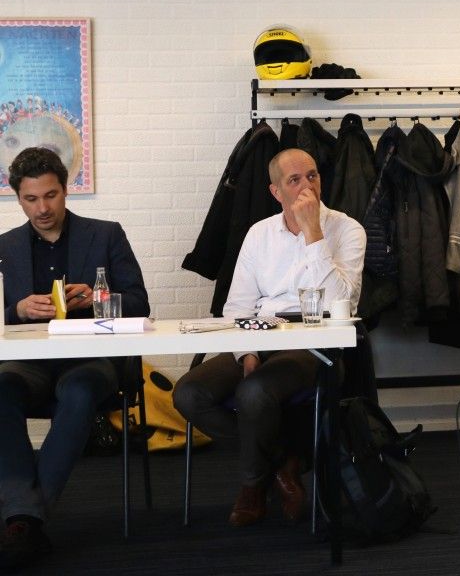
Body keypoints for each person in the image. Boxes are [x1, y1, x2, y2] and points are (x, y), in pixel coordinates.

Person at [173, 148, 365, 527]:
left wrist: (313, 234)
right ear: (276, 192)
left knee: (253, 392)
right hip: (259, 335)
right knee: (188, 394)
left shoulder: (347, 229)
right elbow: (237, 306)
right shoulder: (259, 233)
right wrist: (247, 352)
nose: (307, 186)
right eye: (294, 180)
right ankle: (281, 463)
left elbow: (342, 304)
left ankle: (251, 485)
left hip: (314, 343)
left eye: (312, 176)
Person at [0, 147, 150, 571]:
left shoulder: (106, 234)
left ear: (66, 190)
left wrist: (100, 299)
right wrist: (17, 309)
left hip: (89, 359)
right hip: (28, 363)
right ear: (18, 198)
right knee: (1, 388)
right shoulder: (6, 246)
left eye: (50, 195)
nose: (42, 208)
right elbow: (3, 315)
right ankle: (26, 517)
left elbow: (139, 303)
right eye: (31, 199)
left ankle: (23, 519)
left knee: (80, 391)